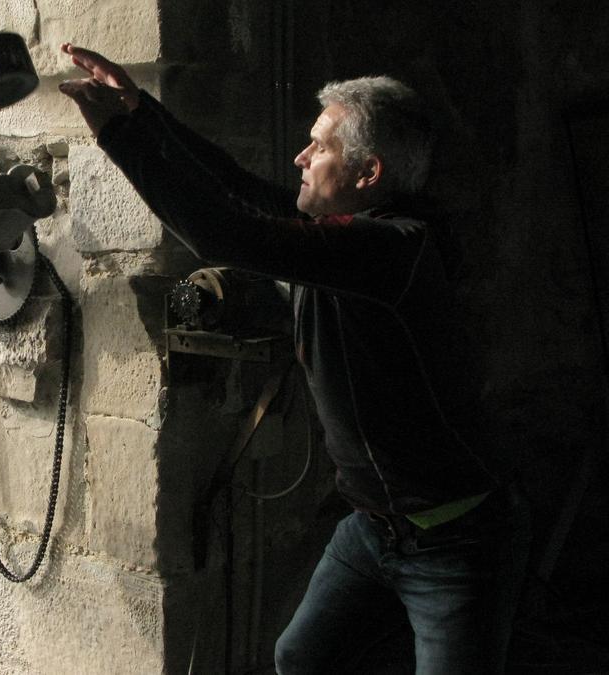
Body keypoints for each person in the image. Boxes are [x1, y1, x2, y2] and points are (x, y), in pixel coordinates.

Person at [58, 44, 530, 674]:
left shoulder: (393, 248)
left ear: (368, 174)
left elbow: (225, 231)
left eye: (320, 148)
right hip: (374, 528)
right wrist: (142, 113)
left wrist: (118, 135)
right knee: (300, 657)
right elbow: (234, 185)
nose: (301, 159)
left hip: (455, 538)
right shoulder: (339, 232)